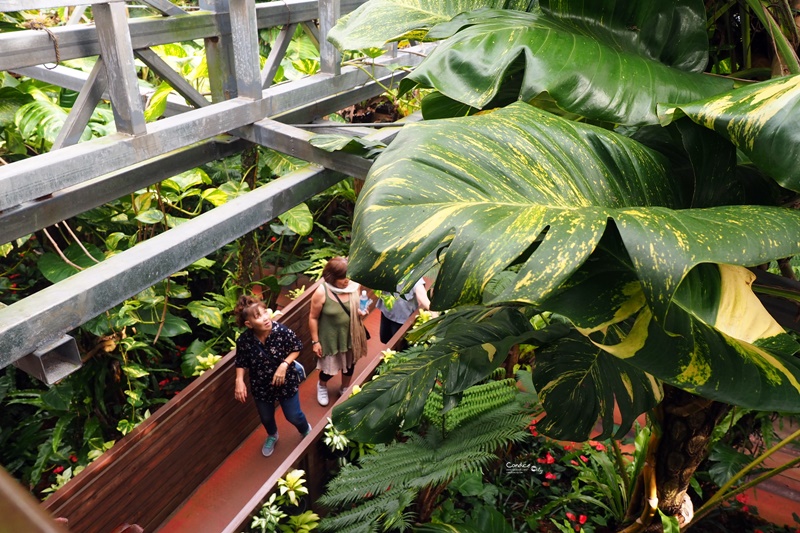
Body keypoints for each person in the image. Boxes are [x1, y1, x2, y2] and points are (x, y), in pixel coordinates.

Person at [233, 295, 311, 457]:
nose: (265, 318)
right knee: (266, 418)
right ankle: (272, 435)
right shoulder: (244, 341)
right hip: (261, 385)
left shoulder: (281, 331)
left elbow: (297, 347)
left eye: (264, 313)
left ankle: (306, 430)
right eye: (258, 317)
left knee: (294, 416)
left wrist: (284, 364)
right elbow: (241, 361)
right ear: (249, 324)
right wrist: (239, 380)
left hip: (286, 381)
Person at [308, 256, 369, 406]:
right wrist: (315, 342)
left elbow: (358, 305)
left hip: (351, 334)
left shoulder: (354, 285)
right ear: (332, 277)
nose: (346, 281)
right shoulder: (322, 292)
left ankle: (345, 387)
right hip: (331, 337)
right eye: (342, 278)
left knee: (350, 364)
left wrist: (362, 312)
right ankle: (322, 385)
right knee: (329, 369)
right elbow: (313, 318)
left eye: (348, 276)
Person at [376, 277, 432, 345]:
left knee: (397, 343)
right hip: (387, 312)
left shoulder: (412, 275)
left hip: (402, 318)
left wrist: (434, 314)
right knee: (384, 338)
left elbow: (421, 294)